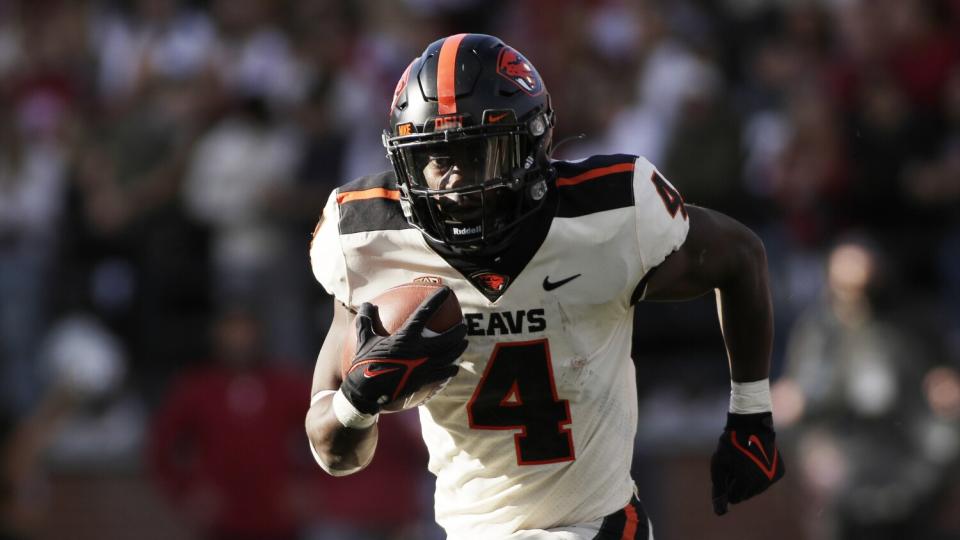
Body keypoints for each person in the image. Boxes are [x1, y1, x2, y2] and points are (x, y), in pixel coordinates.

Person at [305, 33, 784, 539]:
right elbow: (336, 455)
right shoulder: (369, 241)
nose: (455, 183)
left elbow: (741, 255)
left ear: (531, 147)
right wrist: (357, 402)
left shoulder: (608, 214)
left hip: (593, 525)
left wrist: (751, 415)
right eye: (439, 159)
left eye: (478, 155)